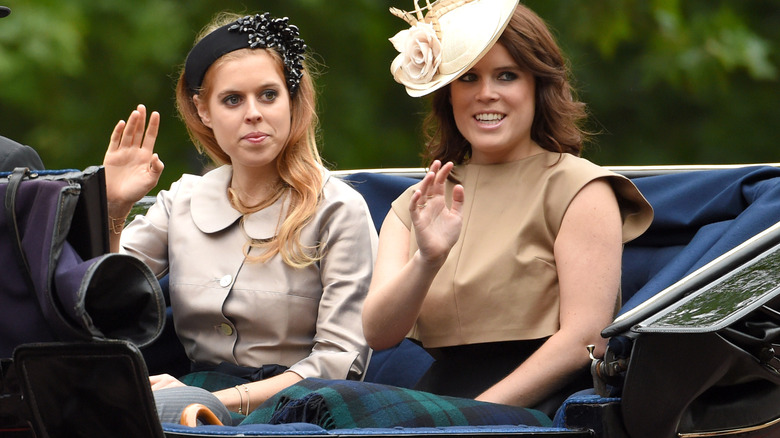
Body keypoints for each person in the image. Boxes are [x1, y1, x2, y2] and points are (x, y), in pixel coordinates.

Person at [362, 0, 654, 417]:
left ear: (538, 86)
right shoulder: (419, 202)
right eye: (468, 77)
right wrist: (427, 260)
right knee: (316, 402)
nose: (486, 93)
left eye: (507, 75)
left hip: (545, 405)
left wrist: (473, 417)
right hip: (442, 399)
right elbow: (378, 334)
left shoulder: (580, 188)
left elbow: (585, 339)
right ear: (449, 95)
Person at [102, 11, 376, 423]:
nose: (253, 113)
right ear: (203, 110)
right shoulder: (183, 200)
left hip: (301, 406)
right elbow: (105, 303)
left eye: (268, 95)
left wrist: (215, 399)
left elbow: (339, 363)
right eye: (232, 99)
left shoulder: (337, 208)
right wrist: (114, 209)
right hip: (193, 393)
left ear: (291, 100)